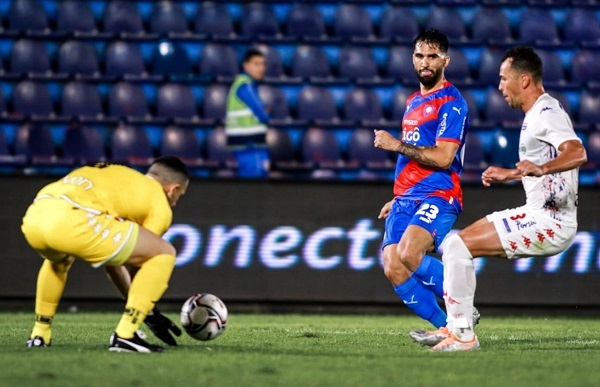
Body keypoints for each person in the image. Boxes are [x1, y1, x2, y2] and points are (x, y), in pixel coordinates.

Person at [426, 46, 588, 352]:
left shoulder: (546, 114)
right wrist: (511, 174)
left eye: (503, 79)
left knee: (458, 245)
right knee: (455, 246)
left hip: (550, 221)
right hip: (540, 214)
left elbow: (577, 152)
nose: (500, 86)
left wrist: (540, 167)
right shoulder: (540, 112)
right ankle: (456, 327)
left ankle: (462, 335)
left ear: (523, 80)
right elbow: (546, 168)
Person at [21, 156, 190, 353]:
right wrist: (147, 312)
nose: (176, 201)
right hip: (73, 216)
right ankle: (126, 335)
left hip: (37, 214)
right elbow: (142, 263)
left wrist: (147, 312)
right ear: (174, 189)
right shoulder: (158, 202)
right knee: (164, 252)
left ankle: (40, 334)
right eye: (180, 195)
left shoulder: (122, 177)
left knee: (59, 260)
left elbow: (114, 260)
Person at [373, 29, 474, 337]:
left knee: (408, 252)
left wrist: (396, 145)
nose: (425, 63)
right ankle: (447, 328)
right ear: (412, 59)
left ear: (445, 60)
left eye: (432, 56)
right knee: (392, 264)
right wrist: (399, 196)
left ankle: (464, 306)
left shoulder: (452, 103)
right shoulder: (413, 100)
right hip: (407, 196)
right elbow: (417, 153)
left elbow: (443, 157)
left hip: (438, 193)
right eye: (420, 56)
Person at [225, 47, 271, 178]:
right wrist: (266, 112)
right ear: (246, 65)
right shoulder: (245, 84)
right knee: (254, 186)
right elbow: (262, 114)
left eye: (263, 64)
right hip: (249, 145)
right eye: (256, 64)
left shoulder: (245, 84)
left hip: (250, 144)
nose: (261, 68)